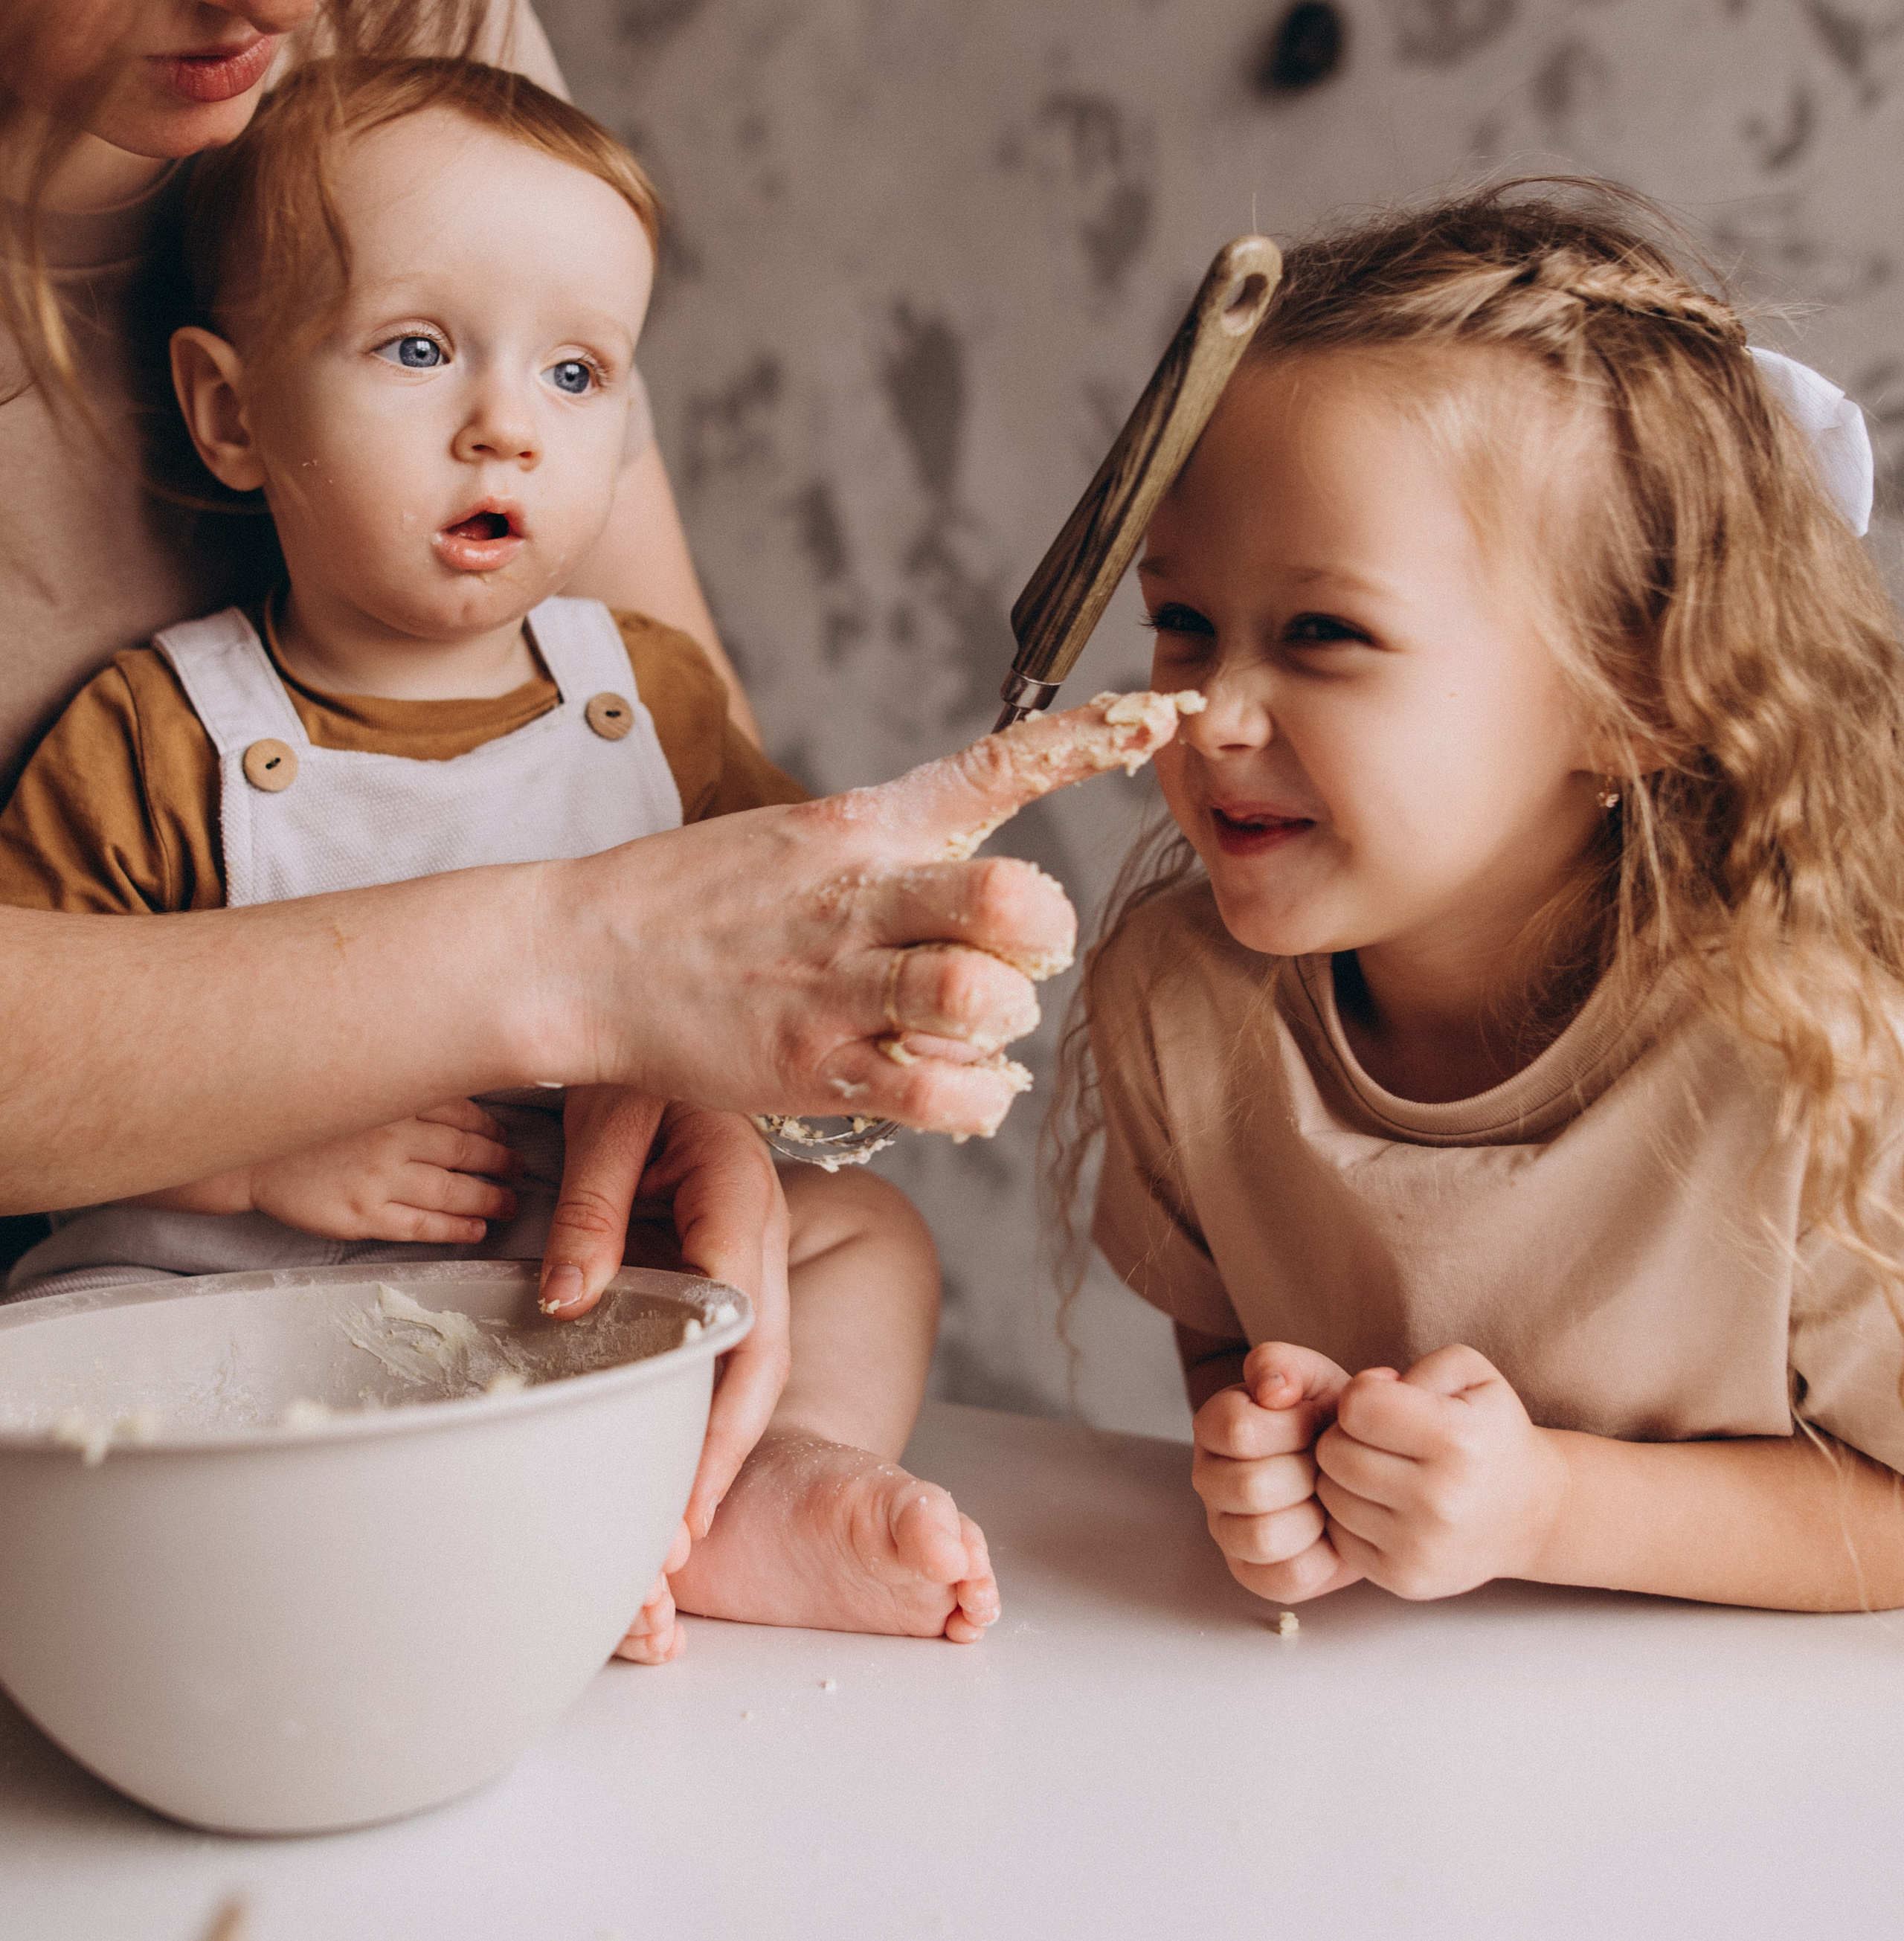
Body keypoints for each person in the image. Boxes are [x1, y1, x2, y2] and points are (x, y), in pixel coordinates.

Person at [0, 57, 1200, 1655]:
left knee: (861, 1245)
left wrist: (861, 1005)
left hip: (563, 1269)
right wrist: (244, 1163)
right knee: (76, 1341)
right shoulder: (159, 729)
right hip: (234, 1290)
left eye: (575, 376)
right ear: (234, 411)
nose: (504, 425)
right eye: (418, 350)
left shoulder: (650, 699)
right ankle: (418, 1558)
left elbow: (789, 935)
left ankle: (745, 1480)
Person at [1060, 183, 1904, 1615]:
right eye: (1183, 621)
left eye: (1325, 633)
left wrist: (1550, 1508)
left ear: (1636, 695)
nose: (1210, 712)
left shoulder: (1819, 1067)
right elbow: (1223, 1336)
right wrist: (1264, 1450)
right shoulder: (1179, 1000)